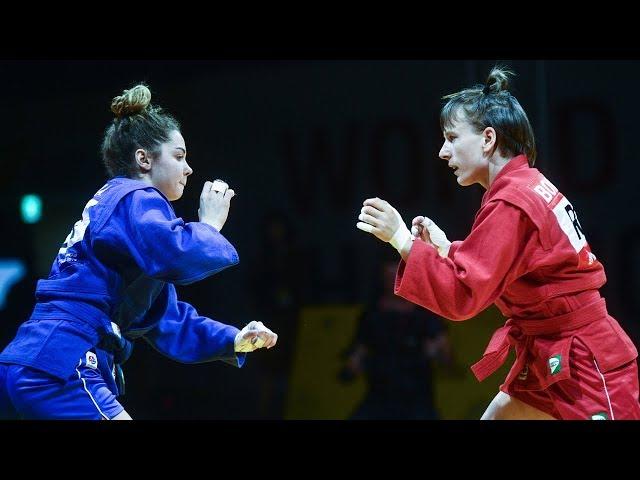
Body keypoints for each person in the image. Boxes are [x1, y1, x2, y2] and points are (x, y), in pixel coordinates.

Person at [356, 67, 640, 420]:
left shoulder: (512, 201)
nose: (443, 152)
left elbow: (463, 297)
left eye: (452, 137)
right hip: (550, 354)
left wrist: (400, 239)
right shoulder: (525, 185)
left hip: (583, 360)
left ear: (488, 139)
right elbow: (507, 264)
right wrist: (446, 249)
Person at [0, 84, 277, 420]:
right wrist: (209, 227)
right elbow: (177, 254)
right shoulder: (135, 196)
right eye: (178, 156)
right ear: (143, 159)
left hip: (32, 361)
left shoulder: (122, 212)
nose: (188, 168)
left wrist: (234, 339)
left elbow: (166, 319)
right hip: (62, 364)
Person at [339, 259, 453, 420]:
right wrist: (351, 366)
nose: (394, 282)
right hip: (380, 397)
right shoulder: (373, 314)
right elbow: (360, 350)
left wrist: (438, 352)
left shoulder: (424, 313)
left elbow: (446, 356)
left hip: (417, 399)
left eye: (398, 276)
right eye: (389, 278)